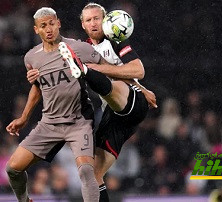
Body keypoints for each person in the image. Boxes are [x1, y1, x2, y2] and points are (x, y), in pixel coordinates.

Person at [27, 3, 157, 202]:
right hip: (113, 117)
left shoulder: (115, 39)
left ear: (105, 21)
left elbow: (138, 71)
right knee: (93, 176)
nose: (93, 23)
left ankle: (86, 72)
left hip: (132, 103)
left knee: (115, 86)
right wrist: (35, 75)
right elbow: (51, 67)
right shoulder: (84, 48)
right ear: (83, 25)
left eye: (97, 18)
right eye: (89, 20)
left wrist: (93, 69)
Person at [5, 7, 103, 202]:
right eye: (43, 26)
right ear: (36, 30)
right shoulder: (31, 58)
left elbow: (108, 67)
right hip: (49, 123)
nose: (48, 29)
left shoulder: (79, 48)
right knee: (13, 168)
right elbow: (37, 88)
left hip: (79, 121)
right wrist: (24, 118)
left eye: (51, 23)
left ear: (58, 23)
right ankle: (24, 201)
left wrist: (136, 89)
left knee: (85, 170)